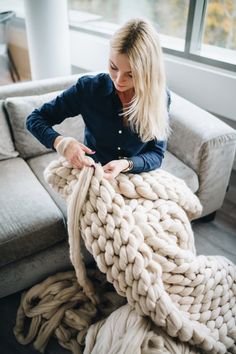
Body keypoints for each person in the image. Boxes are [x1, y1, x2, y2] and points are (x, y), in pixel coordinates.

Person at [26, 18, 171, 180]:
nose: (118, 80)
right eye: (113, 67)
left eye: (131, 74)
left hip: (135, 178)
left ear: (148, 72)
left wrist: (126, 164)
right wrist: (62, 143)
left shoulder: (160, 98)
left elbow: (157, 154)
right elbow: (35, 119)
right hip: (93, 174)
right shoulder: (89, 89)